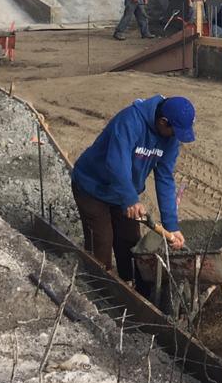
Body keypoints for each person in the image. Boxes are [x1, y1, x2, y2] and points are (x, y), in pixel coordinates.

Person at [69, 96, 194, 286]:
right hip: (92, 185)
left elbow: (165, 178)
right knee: (102, 242)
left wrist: (171, 225)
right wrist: (130, 199)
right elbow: (116, 163)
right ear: (162, 122)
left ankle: (132, 285)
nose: (175, 136)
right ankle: (99, 291)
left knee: (130, 242)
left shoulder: (170, 139)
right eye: (174, 131)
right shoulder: (130, 121)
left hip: (121, 192)